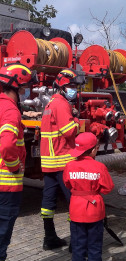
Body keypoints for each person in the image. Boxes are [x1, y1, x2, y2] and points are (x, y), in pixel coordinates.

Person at [0, 63, 38, 261]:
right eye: (23, 88)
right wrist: (15, 167)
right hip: (6, 182)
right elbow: (5, 146)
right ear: (14, 86)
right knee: (2, 230)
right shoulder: (11, 112)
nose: (25, 92)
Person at [63, 132, 114, 261]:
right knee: (95, 247)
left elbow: (67, 184)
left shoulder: (70, 166)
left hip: (77, 211)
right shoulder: (99, 167)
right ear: (93, 150)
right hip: (95, 212)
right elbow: (108, 188)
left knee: (78, 247)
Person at [40, 69, 84, 251]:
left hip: (49, 161)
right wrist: (76, 119)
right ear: (61, 87)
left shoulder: (51, 103)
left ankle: (49, 237)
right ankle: (76, 243)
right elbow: (68, 131)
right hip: (61, 160)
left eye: (75, 86)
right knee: (73, 200)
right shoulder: (61, 104)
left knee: (48, 201)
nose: (74, 90)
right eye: (71, 86)